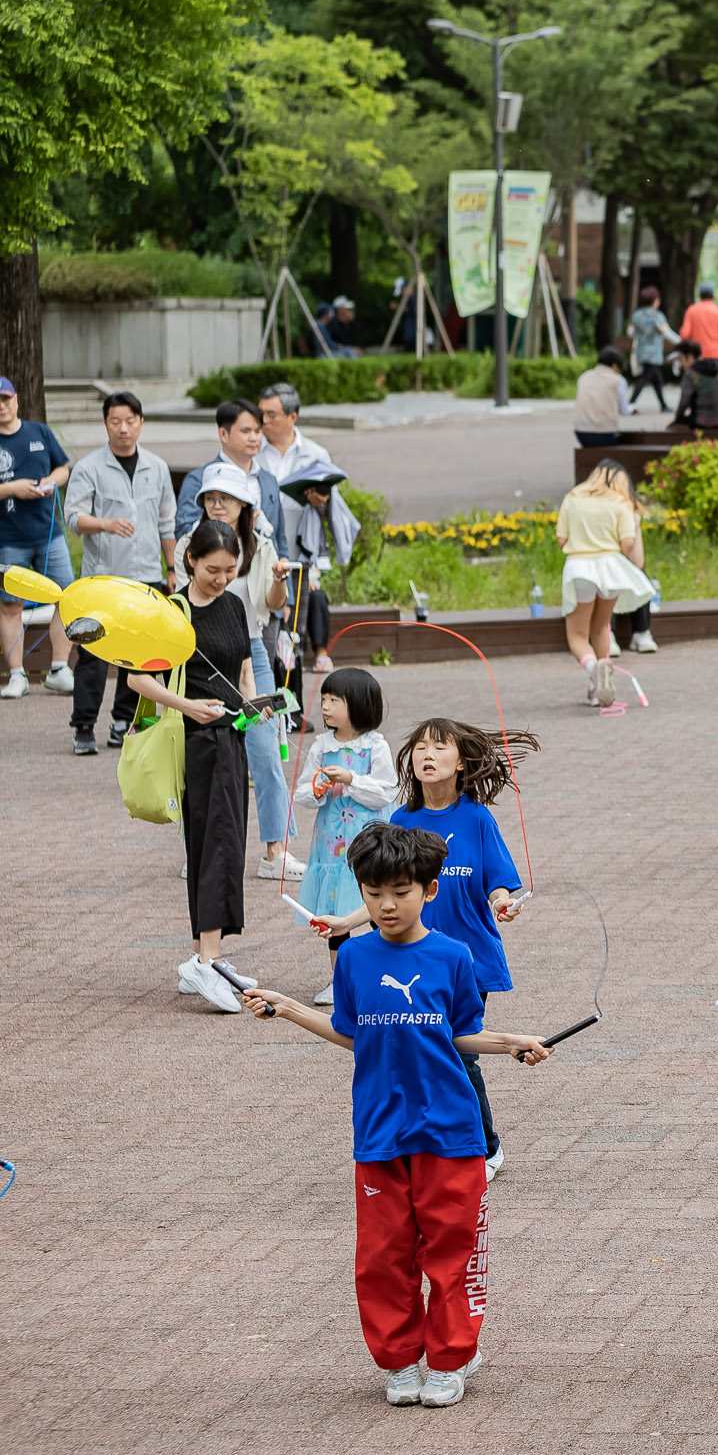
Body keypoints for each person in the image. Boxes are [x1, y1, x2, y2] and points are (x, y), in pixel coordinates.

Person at [240, 823, 549, 1408]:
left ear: (429, 890)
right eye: (374, 891)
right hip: (379, 1131)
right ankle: (401, 1359)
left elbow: (463, 1034)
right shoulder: (353, 956)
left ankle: (452, 1356)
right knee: (382, 1256)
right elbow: (349, 1034)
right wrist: (286, 1008)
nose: (386, 904)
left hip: (452, 1133)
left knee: (451, 1251)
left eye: (401, 890)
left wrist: (511, 1041)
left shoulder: (454, 957)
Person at [313, 718, 539, 1184]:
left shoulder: (477, 817)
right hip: (410, 959)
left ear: (462, 763)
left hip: (467, 959)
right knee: (423, 1053)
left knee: (459, 1053)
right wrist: (347, 921)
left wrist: (502, 904)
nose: (426, 755)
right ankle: (430, 1140)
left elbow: (498, 879)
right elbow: (385, 898)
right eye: (418, 748)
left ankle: (485, 1146)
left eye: (439, 747)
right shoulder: (402, 821)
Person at [127, 521, 261, 1012]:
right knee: (217, 844)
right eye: (212, 569)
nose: (222, 578)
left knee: (221, 842)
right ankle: (208, 960)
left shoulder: (234, 604)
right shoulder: (172, 612)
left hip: (233, 734)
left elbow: (243, 670)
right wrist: (187, 706)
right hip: (198, 739)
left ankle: (205, 956)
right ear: (189, 560)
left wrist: (253, 705)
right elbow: (138, 680)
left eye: (230, 569)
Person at [179, 446, 298, 880]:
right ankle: (198, 849)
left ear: (244, 505)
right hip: (203, 656)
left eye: (224, 499)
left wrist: (280, 583)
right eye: (210, 498)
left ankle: (274, 851)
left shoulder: (259, 544)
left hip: (249, 650)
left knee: (265, 751)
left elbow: (271, 603)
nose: (216, 505)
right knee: (196, 759)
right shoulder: (190, 546)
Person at [63, 390, 176, 752]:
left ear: (141, 423)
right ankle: (83, 726)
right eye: (116, 421)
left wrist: (171, 568)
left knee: (136, 655)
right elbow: (73, 518)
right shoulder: (89, 467)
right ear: (105, 423)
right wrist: (106, 525)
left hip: (145, 577)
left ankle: (124, 721)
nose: (123, 429)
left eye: (130, 421)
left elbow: (167, 523)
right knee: (93, 655)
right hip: (102, 580)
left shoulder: (157, 466)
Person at [292, 667, 396, 1006]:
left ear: (359, 705)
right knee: (338, 918)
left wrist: (352, 778)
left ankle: (384, 976)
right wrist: (319, 789)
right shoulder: (321, 746)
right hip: (331, 849)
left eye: (334, 700)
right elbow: (303, 793)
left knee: (375, 912)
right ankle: (339, 981)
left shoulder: (375, 746)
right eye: (324, 699)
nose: (325, 707)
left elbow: (385, 792)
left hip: (368, 846)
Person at [254, 383, 348, 683]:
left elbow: (328, 508)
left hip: (299, 552)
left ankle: (290, 706)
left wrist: (322, 500)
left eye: (272, 415)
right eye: (261, 414)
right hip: (261, 552)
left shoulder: (315, 454)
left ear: (292, 416)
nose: (264, 421)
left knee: (292, 629)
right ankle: (266, 698)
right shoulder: (253, 450)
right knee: (266, 623)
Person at [555, 463, 658, 710]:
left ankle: (594, 671)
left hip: (580, 568)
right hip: (612, 569)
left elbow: (562, 541)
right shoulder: (620, 501)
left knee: (577, 635)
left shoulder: (573, 497)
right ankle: (595, 691)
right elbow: (627, 544)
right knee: (601, 626)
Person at [0, 374, 74, 699]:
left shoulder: (39, 431)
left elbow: (64, 468)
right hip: (8, 537)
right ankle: (17, 674)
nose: (2, 406)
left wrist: (50, 481)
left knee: (67, 597)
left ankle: (59, 668)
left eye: (5, 399)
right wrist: (11, 489)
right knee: (10, 605)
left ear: (16, 399)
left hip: (49, 533)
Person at [623, 286, 677, 410]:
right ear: (655, 300)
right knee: (644, 378)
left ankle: (663, 405)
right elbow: (666, 333)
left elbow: (630, 332)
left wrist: (641, 334)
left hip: (641, 351)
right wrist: (682, 342)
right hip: (653, 353)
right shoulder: (656, 315)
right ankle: (630, 403)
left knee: (657, 378)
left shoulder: (637, 314)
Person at [669, 346, 718, 431]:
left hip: (704, 423)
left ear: (689, 356)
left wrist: (677, 418)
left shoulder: (691, 373)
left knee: (675, 427)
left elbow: (684, 401)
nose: (681, 364)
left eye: (680, 359)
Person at [574, 347, 630, 446]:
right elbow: (625, 411)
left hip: (581, 434)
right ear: (614, 366)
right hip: (605, 435)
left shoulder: (584, 376)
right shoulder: (618, 380)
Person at [678, 282, 718, 374]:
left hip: (696, 356)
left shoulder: (691, 310)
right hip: (715, 357)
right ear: (713, 295)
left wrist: (685, 354)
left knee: (696, 385)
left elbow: (684, 334)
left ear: (699, 295)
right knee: (715, 385)